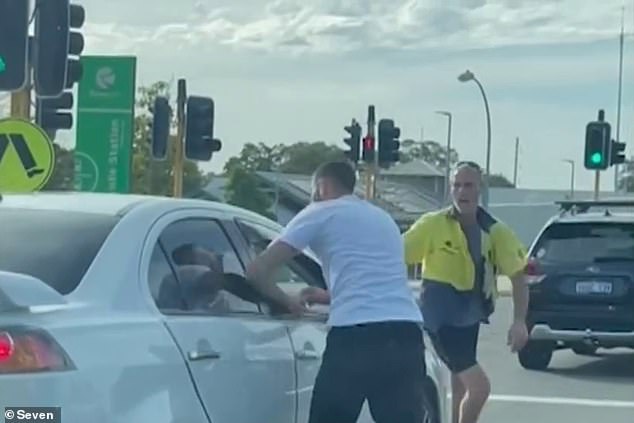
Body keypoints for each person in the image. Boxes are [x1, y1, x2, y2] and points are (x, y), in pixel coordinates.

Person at [245, 160, 429, 423]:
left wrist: (286, 300)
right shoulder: (383, 219)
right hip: (405, 333)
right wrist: (324, 295)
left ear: (322, 186)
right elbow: (375, 281)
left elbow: (257, 270)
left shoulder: (320, 211)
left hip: (357, 337)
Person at [403, 161, 530, 423]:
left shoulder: (494, 230)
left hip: (470, 316)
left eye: (468, 185)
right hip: (440, 318)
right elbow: (393, 255)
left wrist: (519, 321)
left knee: (460, 384)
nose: (462, 191)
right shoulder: (432, 224)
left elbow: (518, 276)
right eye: (456, 185)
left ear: (479, 189)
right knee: (479, 387)